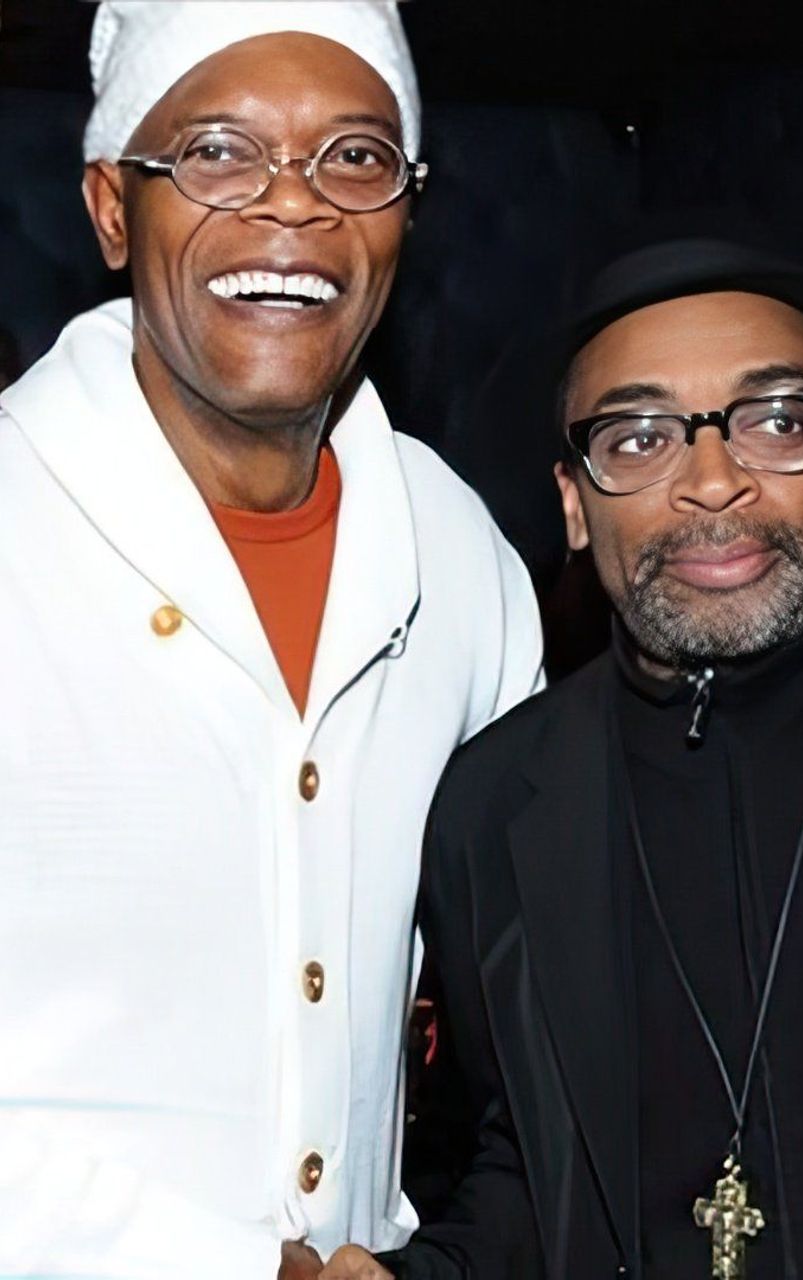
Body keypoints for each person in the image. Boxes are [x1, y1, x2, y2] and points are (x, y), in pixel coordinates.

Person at [0, 4, 542, 1278]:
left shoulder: (460, 551)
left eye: (356, 156)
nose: (294, 203)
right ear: (112, 208)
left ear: (407, 213)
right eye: (218, 152)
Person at [380, 241, 803, 1280]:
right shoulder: (493, 807)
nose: (712, 481)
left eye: (777, 421)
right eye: (639, 437)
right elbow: (526, 1176)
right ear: (574, 502)